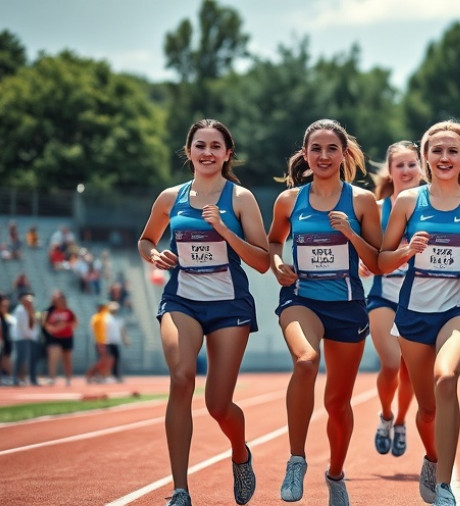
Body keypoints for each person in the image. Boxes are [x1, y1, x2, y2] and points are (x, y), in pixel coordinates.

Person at [138, 118, 269, 506]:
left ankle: (241, 453)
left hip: (230, 305)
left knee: (217, 404)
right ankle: (180, 490)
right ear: (189, 151)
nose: (207, 152)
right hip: (182, 299)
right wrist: (153, 255)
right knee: (181, 377)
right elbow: (146, 240)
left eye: (215, 146)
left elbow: (262, 261)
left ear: (228, 153)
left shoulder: (240, 199)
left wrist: (226, 232)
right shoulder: (169, 197)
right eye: (200, 145)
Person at [378, 120, 460, 506]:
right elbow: (383, 259)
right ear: (426, 156)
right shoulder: (408, 202)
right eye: (437, 151)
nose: (445, 157)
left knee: (445, 377)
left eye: (453, 151)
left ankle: (444, 485)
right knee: (426, 408)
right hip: (413, 312)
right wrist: (405, 252)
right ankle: (431, 458)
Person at [267, 119, 382, 506]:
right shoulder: (289, 201)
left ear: (344, 154)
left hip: (347, 306)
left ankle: (335, 474)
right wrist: (277, 263)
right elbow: (272, 243)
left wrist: (351, 233)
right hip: (301, 299)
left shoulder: (362, 202)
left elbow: (378, 262)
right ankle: (297, 459)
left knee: (337, 403)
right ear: (305, 154)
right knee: (305, 361)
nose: (323, 156)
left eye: (331, 148)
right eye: (315, 149)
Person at [366, 141, 423, 458]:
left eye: (411, 164)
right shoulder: (377, 209)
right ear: (390, 171)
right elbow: (365, 248)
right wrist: (363, 262)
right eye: (399, 165)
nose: (405, 170)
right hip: (384, 296)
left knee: (410, 371)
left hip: (420, 300)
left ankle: (400, 422)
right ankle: (385, 415)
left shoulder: (433, 206)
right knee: (390, 364)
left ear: (421, 168)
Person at [42, 290, 78, 387]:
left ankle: (68, 378)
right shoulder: (51, 311)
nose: (59, 302)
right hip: (55, 337)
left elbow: (75, 323)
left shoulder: (69, 312)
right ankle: (52, 378)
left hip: (67, 337)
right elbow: (46, 324)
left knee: (67, 358)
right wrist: (53, 329)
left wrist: (65, 325)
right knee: (53, 356)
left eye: (61, 300)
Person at [11, 293, 39, 386]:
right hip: (21, 338)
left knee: (32, 359)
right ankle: (16, 378)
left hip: (30, 338)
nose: (30, 303)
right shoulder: (20, 310)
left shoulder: (31, 310)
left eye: (31, 302)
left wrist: (34, 337)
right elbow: (22, 327)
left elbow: (33, 326)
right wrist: (31, 336)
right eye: (28, 301)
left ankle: (31, 379)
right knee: (21, 359)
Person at [85, 301, 112, 383]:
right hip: (100, 341)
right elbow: (94, 329)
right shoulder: (96, 317)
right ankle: (91, 373)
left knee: (105, 360)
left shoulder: (103, 316)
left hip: (105, 341)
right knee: (102, 360)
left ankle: (101, 376)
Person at [105, 301, 129, 382]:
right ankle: (108, 375)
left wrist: (125, 339)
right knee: (109, 360)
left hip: (116, 342)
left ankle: (116, 375)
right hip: (107, 342)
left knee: (116, 359)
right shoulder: (106, 318)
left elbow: (122, 331)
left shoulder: (119, 319)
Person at [1, 294, 13, 385]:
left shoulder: (5, 317)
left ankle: (4, 376)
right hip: (2, 342)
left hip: (5, 342)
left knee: (5, 358)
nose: (6, 307)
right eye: (3, 306)